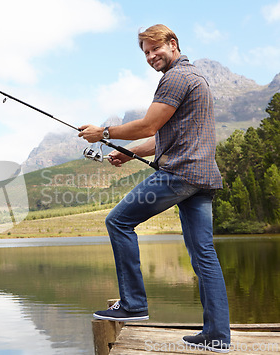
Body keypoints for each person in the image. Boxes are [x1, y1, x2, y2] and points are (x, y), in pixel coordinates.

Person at [78, 24, 230, 352]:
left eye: (155, 49)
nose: (150, 56)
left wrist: (103, 133)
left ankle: (133, 304)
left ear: (172, 44)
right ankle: (217, 334)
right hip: (201, 179)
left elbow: (149, 124)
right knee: (204, 253)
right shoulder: (195, 78)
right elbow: (164, 134)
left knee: (118, 221)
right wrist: (125, 152)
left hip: (178, 175)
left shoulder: (174, 78)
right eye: (145, 52)